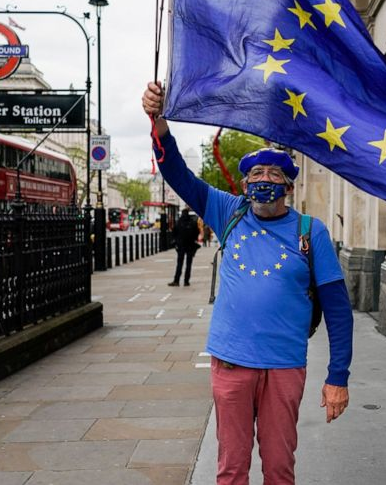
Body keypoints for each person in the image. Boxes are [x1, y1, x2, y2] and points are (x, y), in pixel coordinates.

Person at [143, 81, 353, 485]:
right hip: (231, 363)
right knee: (231, 468)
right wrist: (159, 123)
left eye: (275, 173)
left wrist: (338, 376)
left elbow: (339, 311)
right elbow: (179, 176)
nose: (264, 179)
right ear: (242, 184)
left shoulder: (312, 231)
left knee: (278, 467)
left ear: (290, 187)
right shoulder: (230, 212)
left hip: (284, 366)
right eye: (256, 172)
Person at [170, 207, 201, 287]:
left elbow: (173, 233)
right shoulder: (192, 222)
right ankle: (186, 281)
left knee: (179, 264)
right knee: (188, 264)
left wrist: (176, 241)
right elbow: (197, 232)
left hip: (181, 246)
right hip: (190, 245)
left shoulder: (179, 222)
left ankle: (176, 280)